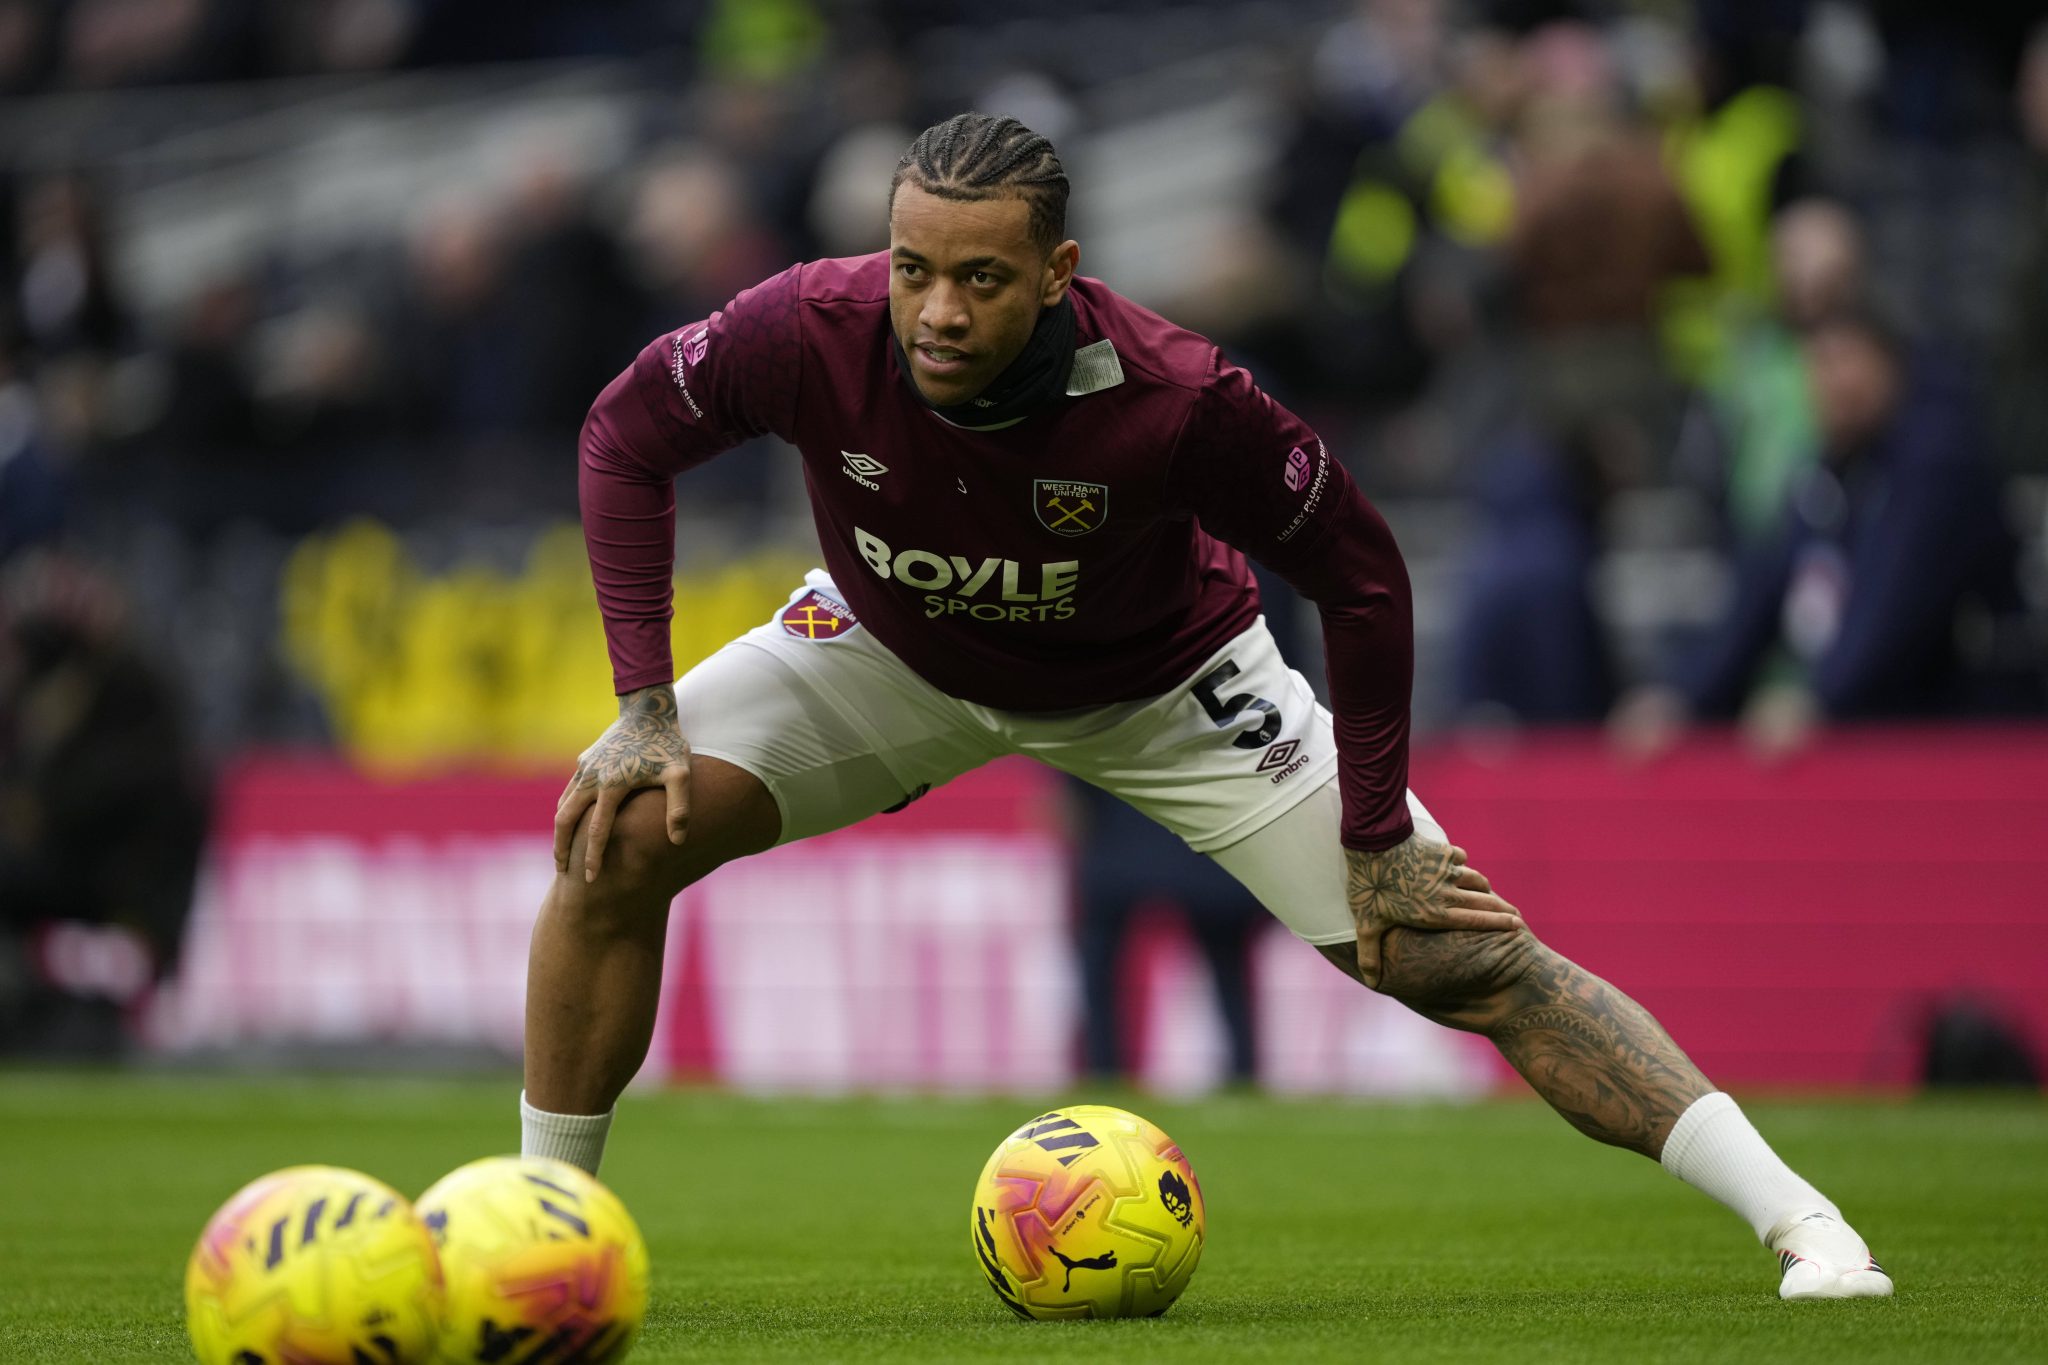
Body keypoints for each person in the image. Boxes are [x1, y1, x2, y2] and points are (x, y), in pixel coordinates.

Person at [522, 112, 1891, 1300]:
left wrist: (1371, 825)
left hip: (1165, 687)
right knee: (618, 821)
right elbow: (621, 435)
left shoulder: (1177, 397)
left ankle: (1807, 1223)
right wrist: (643, 702)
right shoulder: (806, 328)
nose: (936, 311)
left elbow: (1359, 573)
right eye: (914, 270)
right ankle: (544, 1233)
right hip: (887, 649)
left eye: (982, 280)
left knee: (1453, 951)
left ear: (1060, 275)